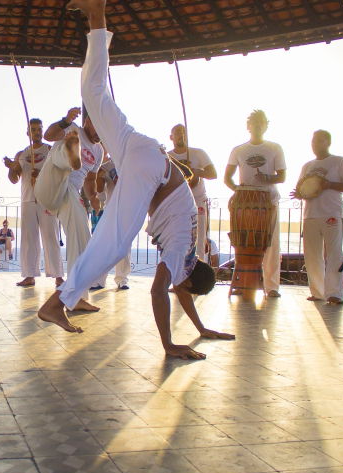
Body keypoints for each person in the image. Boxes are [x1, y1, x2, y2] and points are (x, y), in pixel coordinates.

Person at [38, 0, 235, 360]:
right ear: (188, 278)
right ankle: (58, 303)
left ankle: (97, 16)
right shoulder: (179, 252)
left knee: (93, 96)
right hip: (147, 170)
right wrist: (169, 345)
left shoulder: (189, 255)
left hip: (141, 149)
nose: (178, 287)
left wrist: (201, 329)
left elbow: (180, 290)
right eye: (184, 288)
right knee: (112, 246)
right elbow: (160, 291)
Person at [33, 106, 103, 306]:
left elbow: (90, 180)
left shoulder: (99, 150)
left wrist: (94, 197)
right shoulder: (73, 127)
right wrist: (65, 120)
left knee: (82, 238)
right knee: (60, 148)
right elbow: (49, 134)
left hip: (70, 193)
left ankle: (76, 296)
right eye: (98, 126)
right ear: (88, 121)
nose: (101, 133)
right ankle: (69, 154)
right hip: (51, 183)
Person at [224, 109, 286, 297]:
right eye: (254, 122)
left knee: (271, 244)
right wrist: (239, 192)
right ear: (248, 126)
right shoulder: (239, 150)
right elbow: (227, 178)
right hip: (245, 203)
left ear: (266, 125)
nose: (258, 126)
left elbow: (282, 177)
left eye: (261, 122)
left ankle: (272, 287)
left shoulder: (275, 148)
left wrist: (266, 178)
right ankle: (244, 284)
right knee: (244, 243)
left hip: (268, 201)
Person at [292, 130, 343, 305]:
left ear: (328, 142)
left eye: (319, 141)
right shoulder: (307, 166)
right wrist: (299, 193)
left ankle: (335, 293)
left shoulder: (339, 161)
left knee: (334, 253)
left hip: (331, 213)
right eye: (313, 141)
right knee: (312, 255)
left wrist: (328, 185)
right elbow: (301, 188)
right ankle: (318, 291)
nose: (315, 144)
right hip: (310, 214)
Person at [3, 118, 64, 287]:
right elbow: (14, 179)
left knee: (51, 236)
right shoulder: (21, 155)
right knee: (29, 239)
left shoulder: (50, 150)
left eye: (39, 129)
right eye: (33, 129)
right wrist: (11, 167)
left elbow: (58, 173)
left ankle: (58, 275)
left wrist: (42, 175)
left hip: (46, 199)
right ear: (28, 132)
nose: (36, 132)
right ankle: (29, 275)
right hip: (28, 199)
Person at [168, 124, 217, 259]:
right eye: (177, 132)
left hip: (197, 201)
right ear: (171, 137)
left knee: (199, 240)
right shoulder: (168, 156)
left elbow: (213, 174)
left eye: (184, 132)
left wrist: (195, 171)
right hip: (176, 203)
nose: (181, 135)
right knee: (176, 240)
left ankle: (198, 273)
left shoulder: (198, 153)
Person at [89, 155, 131, 290]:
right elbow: (100, 189)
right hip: (110, 208)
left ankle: (122, 279)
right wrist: (99, 176)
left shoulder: (130, 162)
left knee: (124, 245)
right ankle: (99, 280)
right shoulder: (106, 165)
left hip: (127, 208)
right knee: (105, 245)